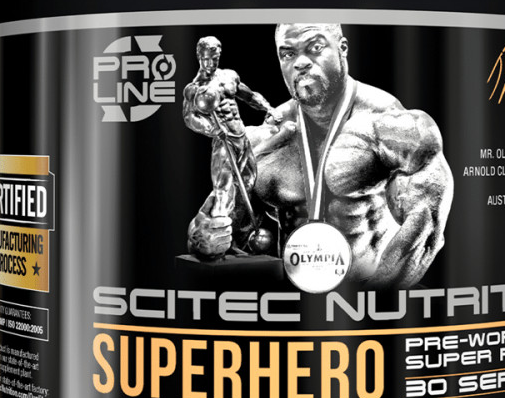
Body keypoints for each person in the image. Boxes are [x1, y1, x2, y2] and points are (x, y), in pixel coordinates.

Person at [190, 23, 453, 287]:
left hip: (372, 295)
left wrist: (373, 300)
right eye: (288, 54)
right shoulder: (268, 138)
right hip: (295, 301)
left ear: (342, 48)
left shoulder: (390, 124)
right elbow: (219, 227)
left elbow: (426, 230)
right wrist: (206, 240)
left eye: (315, 47)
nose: (300, 62)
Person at [183, 36, 274, 259]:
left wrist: (267, 107)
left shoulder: (229, 76)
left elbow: (249, 96)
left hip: (241, 137)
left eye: (214, 59)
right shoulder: (195, 89)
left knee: (247, 187)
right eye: (206, 59)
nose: (210, 63)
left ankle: (238, 240)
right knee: (224, 191)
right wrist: (211, 129)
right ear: (199, 57)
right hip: (223, 142)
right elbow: (189, 117)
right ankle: (217, 242)